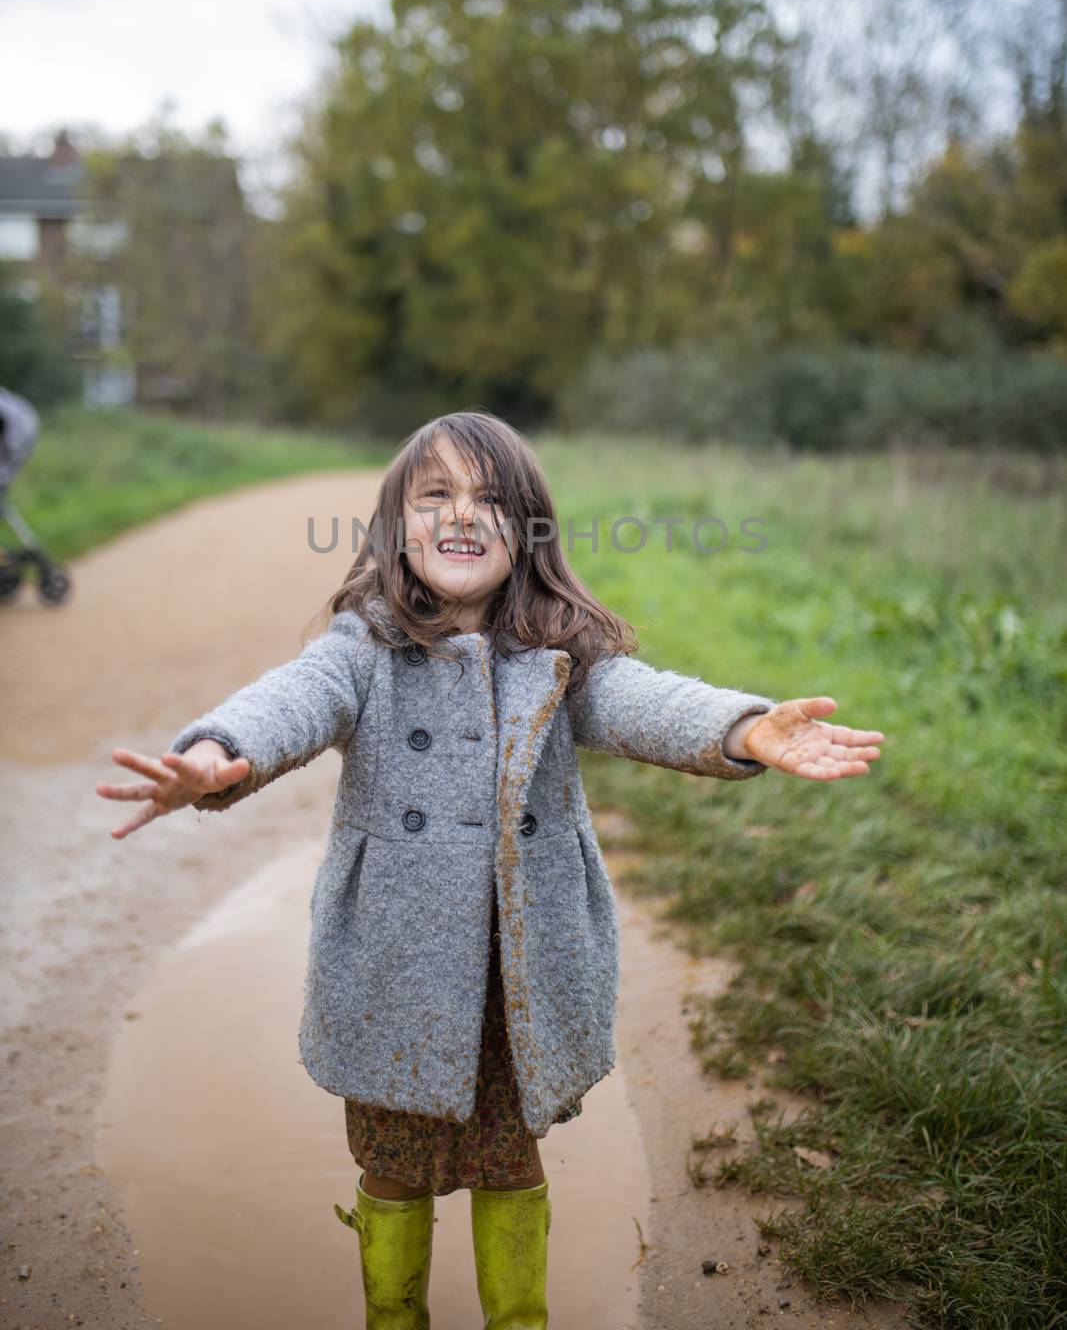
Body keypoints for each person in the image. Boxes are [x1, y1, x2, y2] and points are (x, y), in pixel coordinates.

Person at [96, 410, 884, 1329]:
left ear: (529, 533)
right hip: (396, 971)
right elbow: (290, 701)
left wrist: (744, 727)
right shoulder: (365, 648)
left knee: (510, 1161)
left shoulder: (558, 655)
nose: (463, 515)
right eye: (437, 496)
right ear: (397, 527)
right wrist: (217, 753)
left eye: (492, 500)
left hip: (518, 973)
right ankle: (396, 1318)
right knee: (391, 1166)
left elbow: (646, 699)